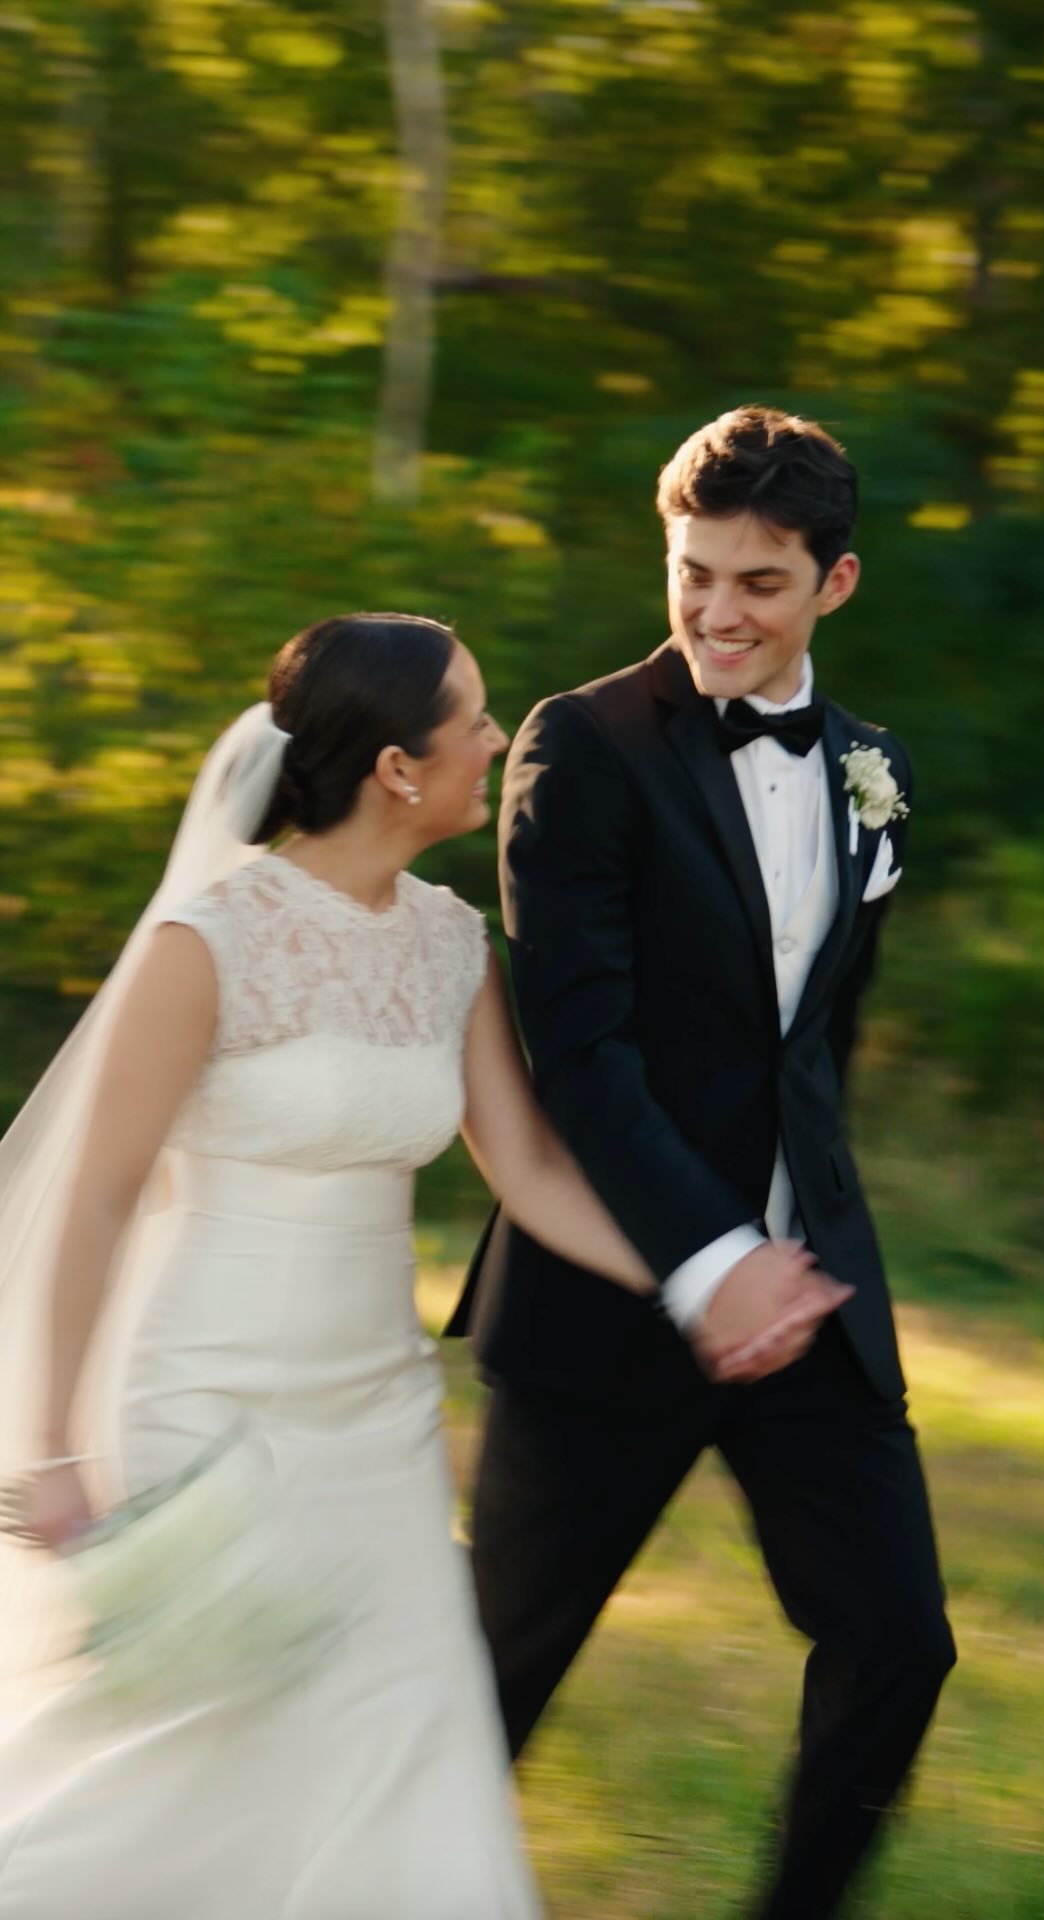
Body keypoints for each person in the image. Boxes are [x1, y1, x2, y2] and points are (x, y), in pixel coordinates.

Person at [0, 609, 783, 1920]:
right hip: (207, 1410)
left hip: (380, 1424)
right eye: (473, 720)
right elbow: (95, 1205)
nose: (498, 739)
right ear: (397, 770)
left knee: (408, 1749)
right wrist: (55, 1451)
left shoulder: (450, 943)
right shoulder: (206, 943)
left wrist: (699, 1280)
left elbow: (529, 1170)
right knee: (183, 1776)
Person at [450, 406, 957, 1919]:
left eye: (760, 582)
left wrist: (792, 1258)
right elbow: (581, 1056)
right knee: (491, 1685)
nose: (718, 612)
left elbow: (814, 1049)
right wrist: (713, 1261)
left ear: (835, 583)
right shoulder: (583, 745)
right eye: (694, 574)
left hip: (808, 1302)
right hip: (610, 1300)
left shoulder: (874, 767)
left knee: (900, 1642)